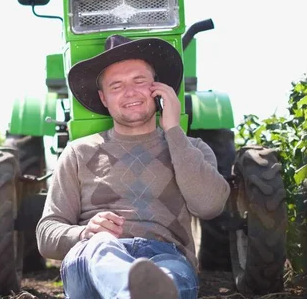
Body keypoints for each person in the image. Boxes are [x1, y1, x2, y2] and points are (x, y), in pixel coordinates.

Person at [35, 35, 231, 299]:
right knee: (102, 246)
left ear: (159, 88)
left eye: (139, 81)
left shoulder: (191, 149)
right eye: (116, 86)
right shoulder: (78, 152)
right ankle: (134, 291)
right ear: (104, 99)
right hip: (92, 257)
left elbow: (210, 205)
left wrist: (173, 130)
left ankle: (140, 291)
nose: (129, 92)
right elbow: (47, 234)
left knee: (172, 276)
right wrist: (85, 232)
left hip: (167, 257)